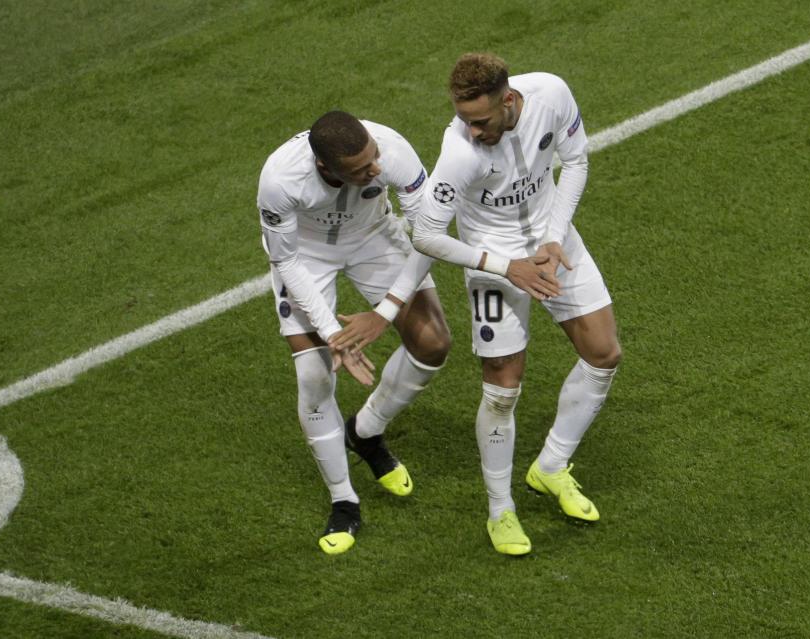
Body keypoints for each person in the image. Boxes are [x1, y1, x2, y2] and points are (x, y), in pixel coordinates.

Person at [412, 53, 621, 555]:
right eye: (463, 119)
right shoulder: (459, 151)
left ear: (508, 100)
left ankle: (550, 467)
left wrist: (553, 239)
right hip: (493, 261)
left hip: (555, 241)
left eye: (480, 120)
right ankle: (500, 509)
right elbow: (425, 233)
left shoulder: (551, 92)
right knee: (503, 389)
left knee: (604, 353)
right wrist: (509, 268)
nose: (472, 130)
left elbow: (575, 162)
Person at [257, 111, 451, 555]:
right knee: (314, 376)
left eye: (374, 158)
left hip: (374, 237)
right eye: (361, 170)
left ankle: (365, 431)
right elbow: (285, 262)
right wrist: (331, 333)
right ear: (326, 169)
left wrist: (383, 312)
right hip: (306, 256)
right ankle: (344, 499)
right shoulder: (281, 180)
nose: (375, 170)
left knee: (433, 343)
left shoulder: (391, 149)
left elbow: (429, 234)